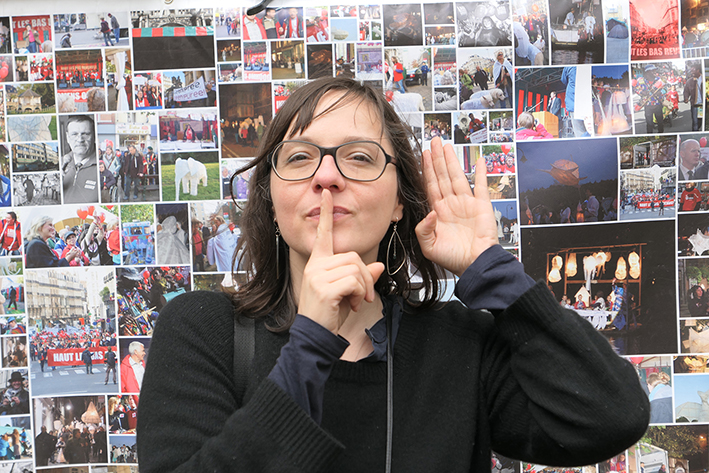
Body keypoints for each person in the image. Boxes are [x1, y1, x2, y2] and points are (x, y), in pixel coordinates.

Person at [137, 77, 649, 472]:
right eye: (300, 157)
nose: (327, 176)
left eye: (359, 157)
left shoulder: (459, 345)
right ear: (271, 198)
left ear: (400, 203)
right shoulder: (204, 330)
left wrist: (492, 270)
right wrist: (309, 345)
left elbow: (611, 415)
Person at [62, 115, 99, 204]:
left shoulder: (102, 165)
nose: (80, 140)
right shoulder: (61, 164)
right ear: (67, 137)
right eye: (74, 134)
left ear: (94, 136)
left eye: (85, 134)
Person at [684, 65, 703, 131]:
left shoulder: (703, 79)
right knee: (695, 122)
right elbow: (686, 91)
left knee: (700, 121)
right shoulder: (689, 81)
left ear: (698, 70)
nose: (692, 72)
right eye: (691, 71)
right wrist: (686, 98)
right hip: (695, 105)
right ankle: (695, 133)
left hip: (702, 106)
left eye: (693, 70)